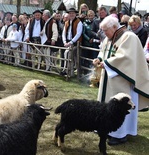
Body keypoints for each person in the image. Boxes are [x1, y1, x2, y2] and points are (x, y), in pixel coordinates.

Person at [93, 15, 149, 145]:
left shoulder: (129, 37)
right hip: (109, 79)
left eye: (105, 30)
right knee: (107, 106)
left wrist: (106, 63)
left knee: (120, 107)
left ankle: (120, 134)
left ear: (114, 27)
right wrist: (99, 59)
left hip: (122, 81)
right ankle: (107, 129)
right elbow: (104, 51)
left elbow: (126, 58)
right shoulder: (109, 37)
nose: (104, 33)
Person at [61, 8, 83, 75]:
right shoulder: (66, 22)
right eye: (70, 13)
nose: (71, 14)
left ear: (75, 14)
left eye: (73, 13)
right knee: (66, 54)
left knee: (69, 54)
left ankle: (69, 71)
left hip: (76, 43)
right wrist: (64, 41)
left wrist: (71, 42)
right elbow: (63, 33)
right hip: (67, 42)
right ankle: (67, 70)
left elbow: (78, 34)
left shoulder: (79, 22)